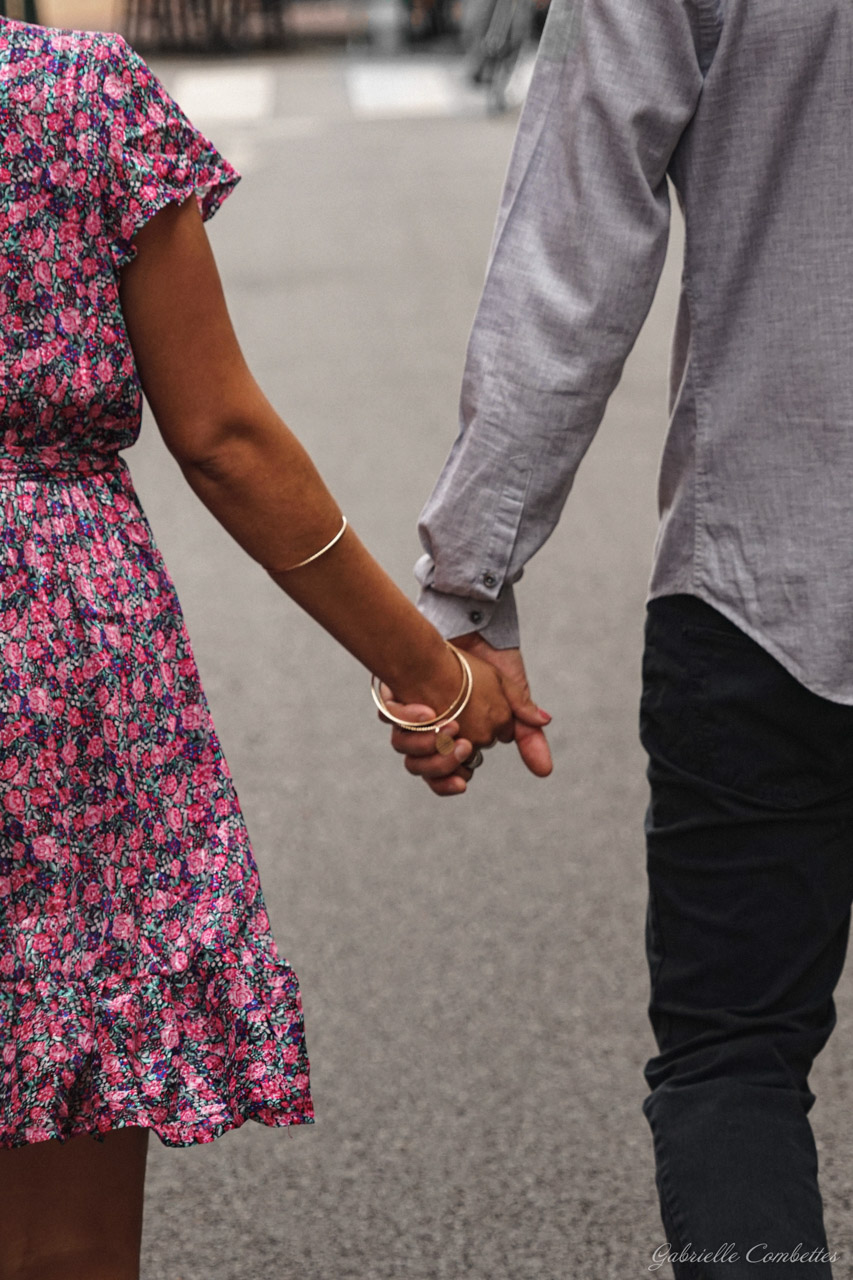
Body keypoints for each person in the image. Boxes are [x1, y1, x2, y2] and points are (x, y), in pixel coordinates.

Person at [0, 15, 545, 1280]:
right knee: (59, 1214)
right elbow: (221, 437)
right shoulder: (68, 100)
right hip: (47, 646)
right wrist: (430, 669)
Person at [386, 0, 853, 1275]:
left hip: (774, 579)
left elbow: (572, 249)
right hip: (770, 578)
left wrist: (467, 589)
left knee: (735, 1061)